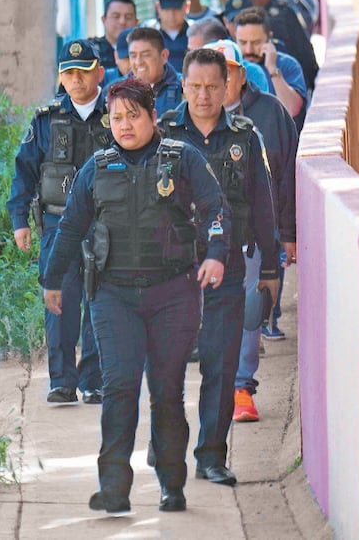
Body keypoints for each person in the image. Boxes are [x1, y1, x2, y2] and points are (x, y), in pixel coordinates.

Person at [42, 77, 231, 515]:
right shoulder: (96, 167)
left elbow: (215, 210)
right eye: (117, 117)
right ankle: (113, 487)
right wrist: (53, 281)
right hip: (113, 296)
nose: (124, 125)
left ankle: (171, 482)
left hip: (174, 294)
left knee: (165, 392)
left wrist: (217, 254)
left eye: (133, 115)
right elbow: (70, 227)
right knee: (119, 388)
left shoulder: (183, 159)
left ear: (151, 116)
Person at [159, 48, 281, 485]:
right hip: (171, 272)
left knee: (221, 365)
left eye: (213, 86)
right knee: (168, 367)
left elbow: (264, 207)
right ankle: (167, 449)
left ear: (228, 86)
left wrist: (270, 269)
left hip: (229, 267)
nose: (204, 95)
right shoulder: (163, 134)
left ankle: (212, 456)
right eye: (195, 86)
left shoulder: (246, 138)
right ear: (183, 86)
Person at [6, 39, 108, 405]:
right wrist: (20, 220)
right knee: (59, 302)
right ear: (61, 78)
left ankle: (94, 380)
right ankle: (62, 381)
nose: (76, 79)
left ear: (100, 71)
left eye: (83, 71)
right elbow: (25, 171)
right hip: (57, 224)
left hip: (105, 227)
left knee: (100, 302)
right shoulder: (46, 119)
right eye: (68, 73)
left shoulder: (118, 114)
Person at [201, 39, 298, 421]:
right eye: (208, 77)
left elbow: (285, 178)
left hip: (250, 237)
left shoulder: (269, 114)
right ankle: (214, 388)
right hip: (196, 243)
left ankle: (242, 388)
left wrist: (285, 235)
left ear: (241, 75)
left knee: (249, 312)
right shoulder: (178, 122)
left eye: (226, 73)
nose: (217, 83)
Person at [245, 0, 319, 93]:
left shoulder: (285, 13)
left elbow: (303, 50)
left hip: (284, 80)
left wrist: (312, 83)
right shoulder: (240, 13)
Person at [234, 7, 308, 132]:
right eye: (243, 42)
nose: (248, 50)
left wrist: (273, 69)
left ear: (269, 38)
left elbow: (292, 109)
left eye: (256, 42)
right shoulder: (230, 67)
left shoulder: (288, 65)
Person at [186, 15, 268, 92]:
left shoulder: (252, 72)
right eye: (190, 52)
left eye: (198, 52)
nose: (193, 58)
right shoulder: (192, 73)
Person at [127, 26, 182, 113]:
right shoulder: (117, 91)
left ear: (164, 56)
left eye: (145, 55)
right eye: (133, 56)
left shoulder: (184, 87)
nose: (138, 62)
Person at [143, 0, 191, 73]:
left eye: (176, 9)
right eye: (167, 9)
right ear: (158, 7)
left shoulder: (196, 32)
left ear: (187, 7)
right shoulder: (147, 33)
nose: (171, 14)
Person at [89, 0, 138, 76]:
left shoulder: (144, 48)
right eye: (116, 16)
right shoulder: (90, 50)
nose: (122, 22)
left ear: (136, 22)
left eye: (128, 17)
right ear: (104, 20)